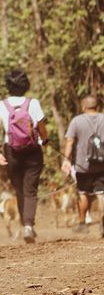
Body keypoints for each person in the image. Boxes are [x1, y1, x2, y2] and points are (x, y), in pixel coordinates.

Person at [0, 69, 48, 243]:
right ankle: (29, 225)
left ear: (8, 86)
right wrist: (45, 140)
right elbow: (42, 127)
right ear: (26, 85)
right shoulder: (33, 103)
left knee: (19, 190)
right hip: (33, 151)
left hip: (11, 152)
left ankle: (25, 224)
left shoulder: (1, 105)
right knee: (30, 189)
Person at [62, 95, 104, 235]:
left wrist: (66, 160)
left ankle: (82, 224)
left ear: (84, 106)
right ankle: (103, 223)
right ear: (97, 106)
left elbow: (69, 141)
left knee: (83, 193)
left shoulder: (77, 121)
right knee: (101, 193)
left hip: (82, 166)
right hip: (102, 165)